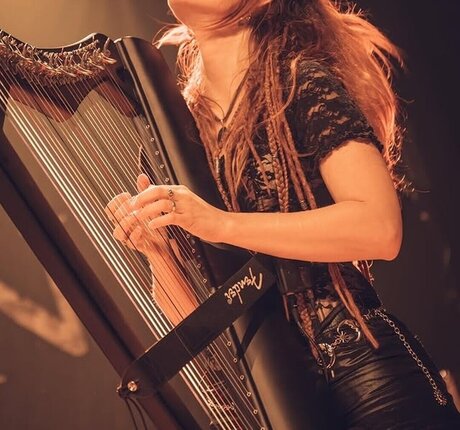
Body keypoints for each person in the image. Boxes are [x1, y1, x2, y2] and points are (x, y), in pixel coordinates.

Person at [105, 0, 460, 428]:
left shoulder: (302, 83)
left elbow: (380, 228)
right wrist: (158, 254)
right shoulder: (170, 143)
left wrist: (220, 223)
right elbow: (202, 324)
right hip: (271, 398)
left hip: (361, 373)